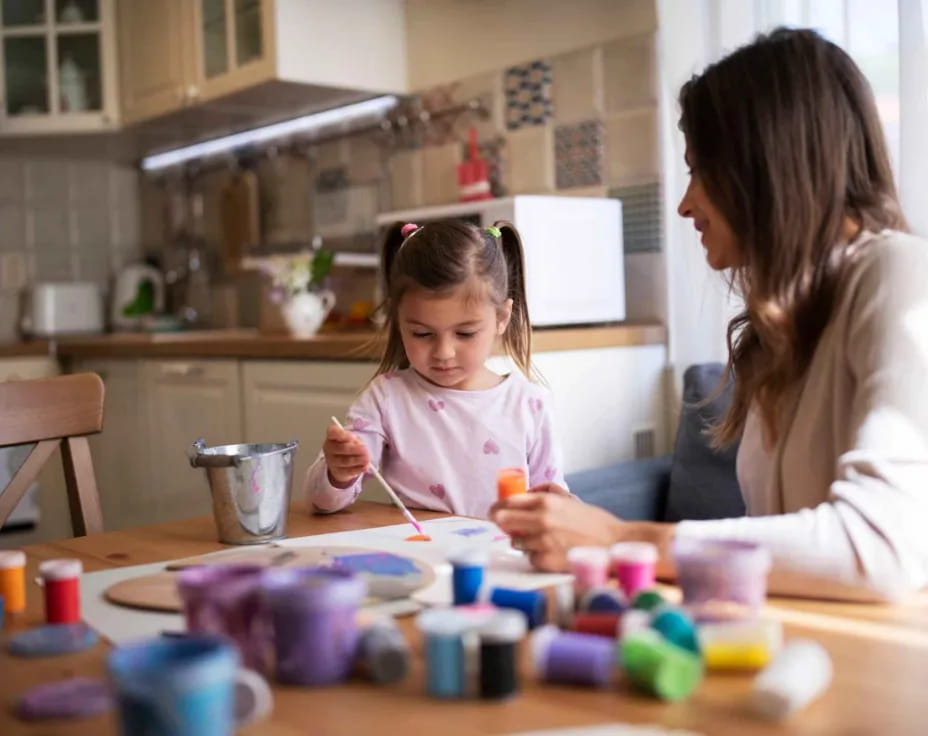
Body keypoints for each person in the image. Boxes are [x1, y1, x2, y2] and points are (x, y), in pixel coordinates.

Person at [492, 27, 928, 602]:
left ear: (766, 164)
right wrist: (586, 529)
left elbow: (886, 542)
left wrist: (625, 538)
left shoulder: (900, 274)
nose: (684, 202)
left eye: (700, 170)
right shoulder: (781, 324)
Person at [304, 220, 567, 518]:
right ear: (398, 319)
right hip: (421, 558)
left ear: (502, 317)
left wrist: (569, 512)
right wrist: (339, 473)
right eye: (422, 334)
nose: (444, 353)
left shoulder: (529, 404)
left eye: (465, 333)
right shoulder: (386, 398)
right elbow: (322, 502)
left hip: (502, 560)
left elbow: (553, 506)